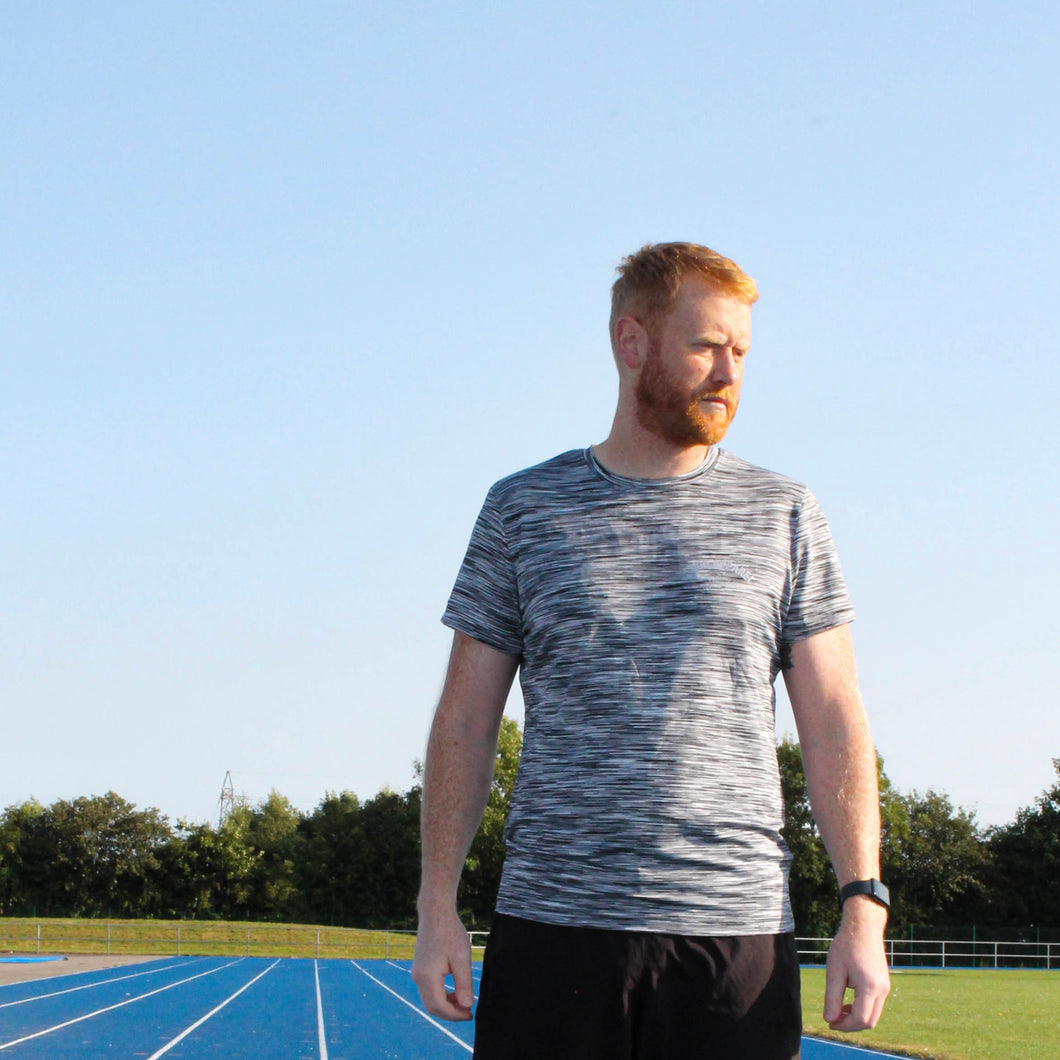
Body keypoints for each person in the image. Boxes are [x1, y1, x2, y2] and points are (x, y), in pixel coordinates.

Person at [412, 242, 890, 1059]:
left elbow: (835, 721)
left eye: (741, 352)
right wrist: (436, 904)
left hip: (733, 939)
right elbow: (464, 720)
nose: (729, 372)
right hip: (554, 928)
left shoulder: (787, 513)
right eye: (707, 345)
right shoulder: (522, 510)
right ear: (631, 343)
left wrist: (863, 907)